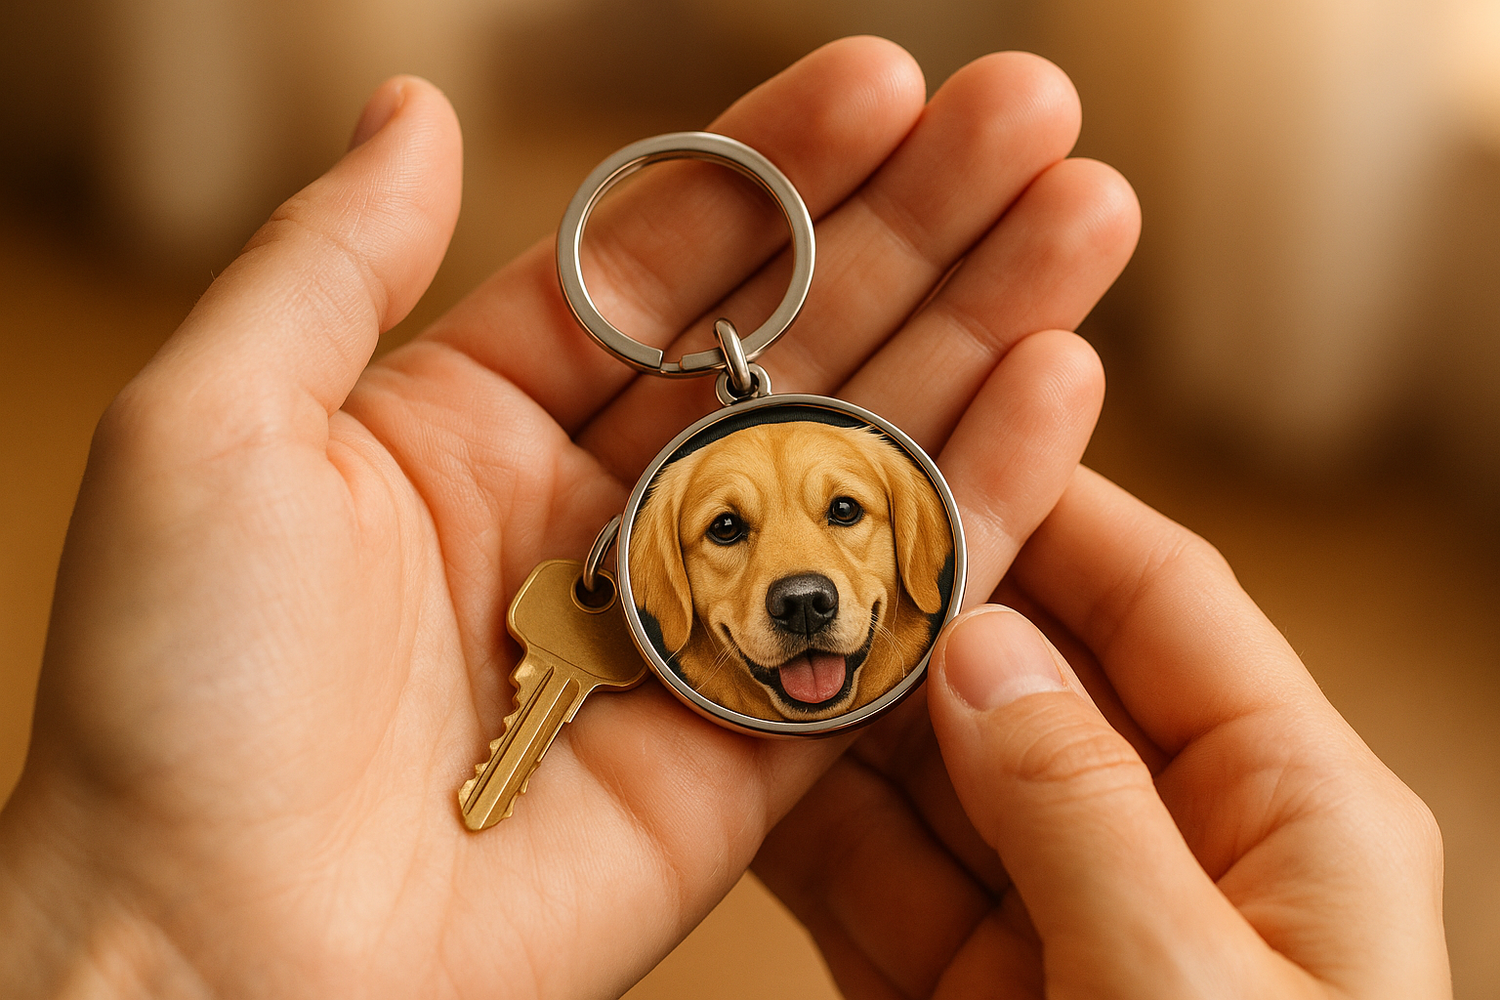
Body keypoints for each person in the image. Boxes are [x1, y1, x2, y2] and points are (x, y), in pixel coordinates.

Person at [0, 36, 1449, 999]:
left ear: (910, 543)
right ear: (667, 586)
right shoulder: (651, 577)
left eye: (842, 515)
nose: (808, 582)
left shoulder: (912, 553)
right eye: (731, 539)